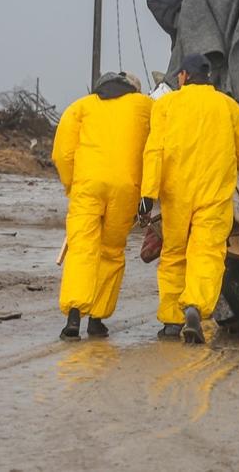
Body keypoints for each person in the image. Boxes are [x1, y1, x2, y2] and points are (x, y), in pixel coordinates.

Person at [140, 54, 239, 344]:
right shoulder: (227, 106)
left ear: (183, 76)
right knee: (206, 253)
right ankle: (194, 307)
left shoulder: (166, 105)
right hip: (214, 195)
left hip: (175, 194)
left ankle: (170, 321)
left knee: (174, 254)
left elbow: (154, 151)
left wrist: (148, 194)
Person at [52, 71, 152, 340]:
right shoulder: (144, 106)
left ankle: (74, 316)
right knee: (110, 251)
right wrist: (149, 190)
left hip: (87, 186)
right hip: (126, 188)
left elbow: (62, 152)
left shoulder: (80, 107)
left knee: (82, 248)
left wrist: (71, 184)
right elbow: (156, 147)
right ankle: (96, 319)